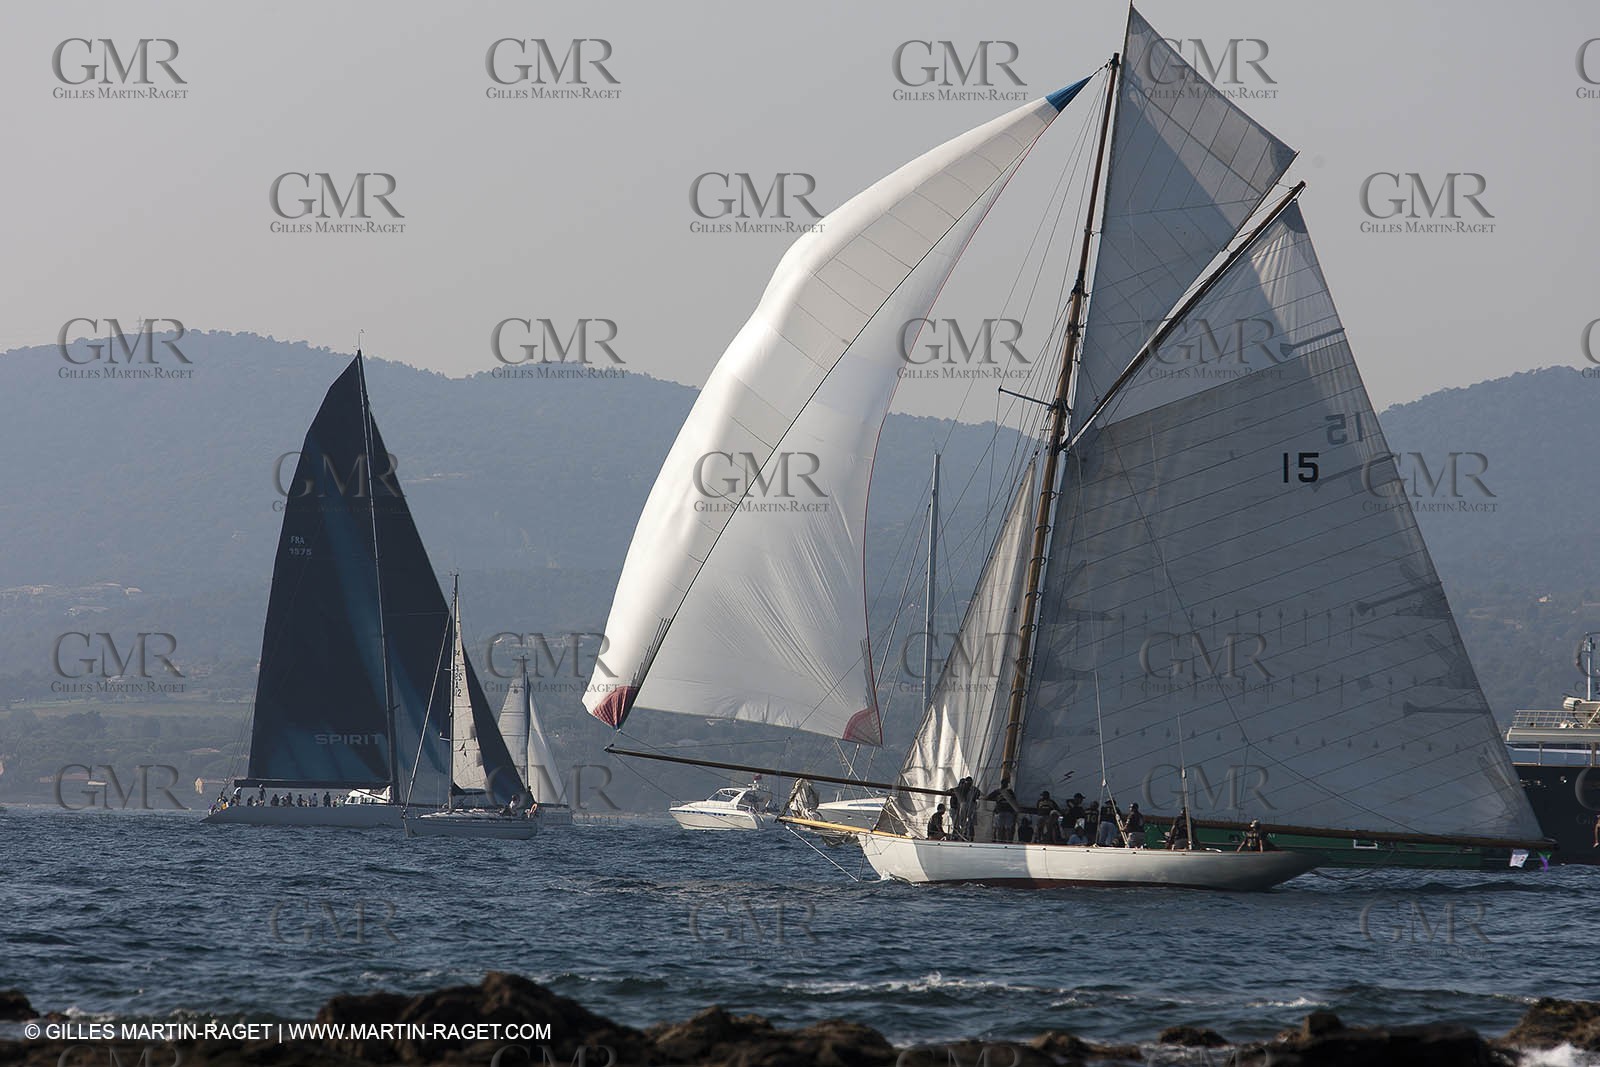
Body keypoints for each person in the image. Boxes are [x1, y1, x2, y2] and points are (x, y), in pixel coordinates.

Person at [986, 777, 1019, 843]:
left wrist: (997, 799)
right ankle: (1008, 842)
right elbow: (1014, 801)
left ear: (1001, 784)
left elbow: (988, 797)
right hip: (1008, 812)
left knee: (999, 828)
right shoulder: (1010, 792)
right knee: (1007, 829)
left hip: (1000, 811)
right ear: (1007, 784)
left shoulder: (998, 791)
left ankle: (999, 841)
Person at [951, 776, 979, 841]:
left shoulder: (959, 789)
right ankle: (963, 835)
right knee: (964, 822)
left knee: (963, 822)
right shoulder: (970, 789)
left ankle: (962, 835)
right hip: (962, 808)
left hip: (963, 808)